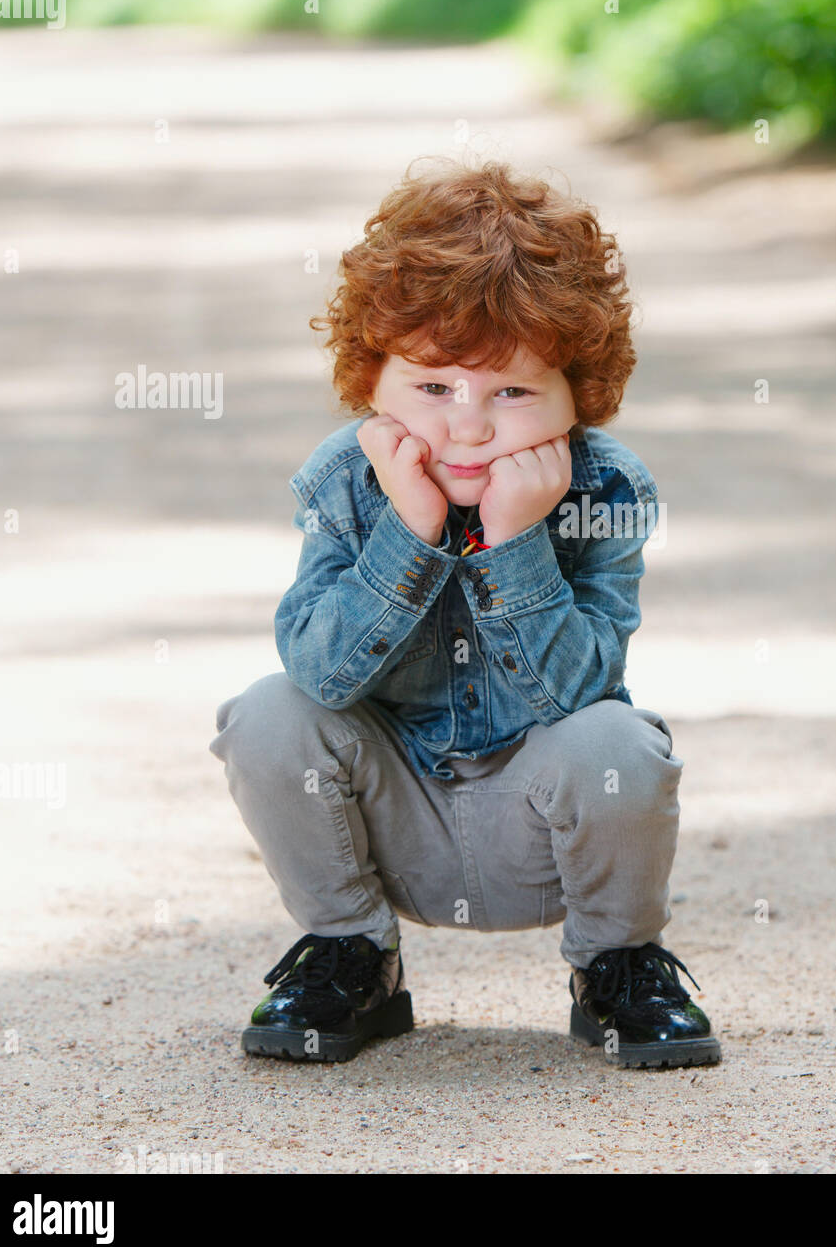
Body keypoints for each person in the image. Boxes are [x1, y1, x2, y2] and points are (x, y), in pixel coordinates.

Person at [209, 156, 721, 1069]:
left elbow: (580, 692)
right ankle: (353, 956)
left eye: (514, 392)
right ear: (374, 382)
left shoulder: (603, 488)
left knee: (620, 743)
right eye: (433, 387)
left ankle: (617, 968)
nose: (470, 426)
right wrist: (410, 534)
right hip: (395, 819)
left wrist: (516, 543)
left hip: (540, 826)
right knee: (266, 713)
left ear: (579, 398)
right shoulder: (347, 481)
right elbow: (321, 673)